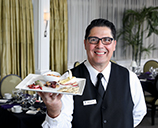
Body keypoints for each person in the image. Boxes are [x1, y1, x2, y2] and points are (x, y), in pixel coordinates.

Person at [38, 18, 146, 128]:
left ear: (114, 45)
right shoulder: (68, 79)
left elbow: (138, 113)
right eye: (94, 40)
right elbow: (62, 125)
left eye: (107, 40)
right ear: (85, 44)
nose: (100, 45)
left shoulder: (129, 77)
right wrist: (54, 111)